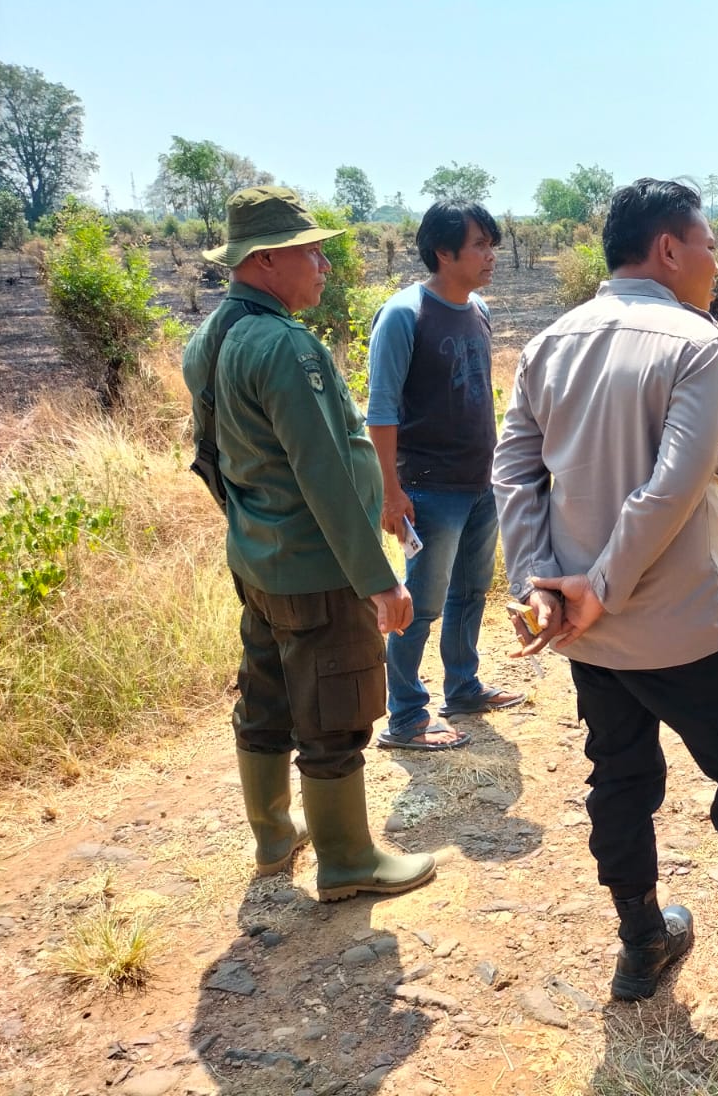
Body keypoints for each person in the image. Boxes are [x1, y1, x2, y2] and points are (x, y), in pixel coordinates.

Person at [493, 179, 718, 1036]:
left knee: (620, 774)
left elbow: (514, 473)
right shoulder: (695, 342)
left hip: (585, 630)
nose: (715, 260)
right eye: (709, 243)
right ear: (669, 250)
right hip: (680, 623)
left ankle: (642, 943)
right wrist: (601, 586)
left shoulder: (549, 342)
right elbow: (673, 488)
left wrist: (544, 584)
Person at [181, 186, 434, 902]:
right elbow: (322, 470)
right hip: (317, 568)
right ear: (263, 262)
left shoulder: (213, 335)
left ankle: (272, 834)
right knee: (334, 710)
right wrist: (378, 579)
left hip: (259, 558)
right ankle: (348, 859)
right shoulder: (285, 346)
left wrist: (251, 527)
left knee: (265, 697)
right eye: (310, 252)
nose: (324, 264)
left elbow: (213, 453)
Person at [366, 200, 524, 752]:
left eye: (491, 244)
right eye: (479, 245)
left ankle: (463, 687)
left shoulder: (477, 308)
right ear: (443, 252)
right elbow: (381, 411)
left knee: (471, 593)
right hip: (429, 488)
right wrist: (391, 492)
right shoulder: (404, 315)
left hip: (481, 482)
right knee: (420, 604)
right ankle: (406, 717)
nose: (490, 255)